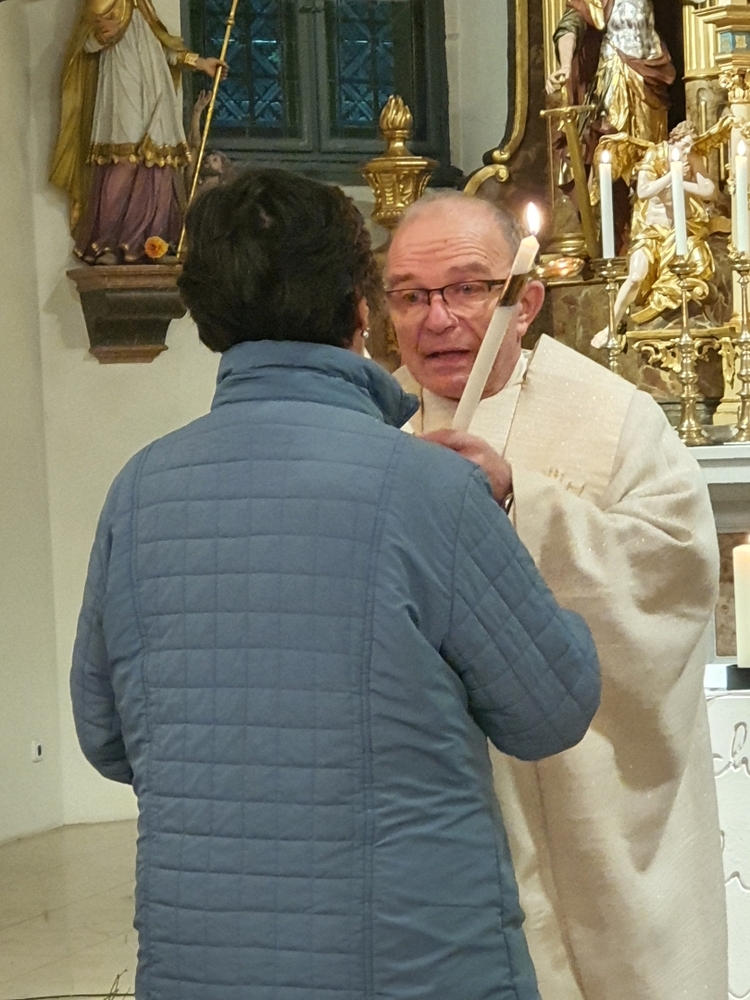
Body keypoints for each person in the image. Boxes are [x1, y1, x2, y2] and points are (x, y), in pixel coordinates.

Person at [70, 169, 601, 1000]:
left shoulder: (139, 489)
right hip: (415, 970)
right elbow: (551, 708)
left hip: (200, 965)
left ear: (207, 316)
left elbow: (105, 735)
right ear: (361, 308)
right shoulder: (429, 488)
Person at [385, 191, 727, 1000]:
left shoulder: (614, 419)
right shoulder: (376, 427)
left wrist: (521, 501)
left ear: (526, 300)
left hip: (596, 809)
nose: (437, 319)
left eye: (467, 289)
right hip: (443, 821)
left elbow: (675, 573)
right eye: (410, 296)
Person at [50, 0, 225, 264]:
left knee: (160, 164)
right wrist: (103, 34)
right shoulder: (105, 3)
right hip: (121, 85)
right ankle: (109, 243)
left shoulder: (143, 8)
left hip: (157, 93)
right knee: (122, 160)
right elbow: (87, 44)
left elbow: (164, 49)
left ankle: (157, 244)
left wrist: (199, 63)